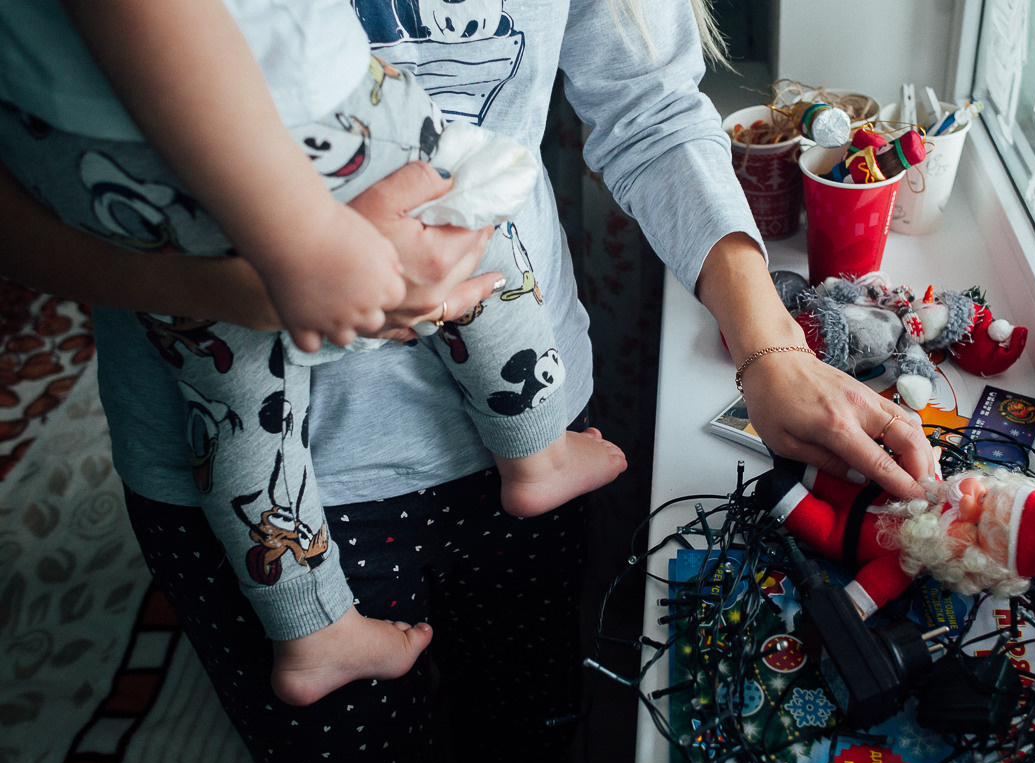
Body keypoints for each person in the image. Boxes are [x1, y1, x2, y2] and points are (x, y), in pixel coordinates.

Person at [0, 1, 940, 763]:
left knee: (528, 745)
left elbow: (651, 106)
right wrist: (249, 290)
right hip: (244, 495)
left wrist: (769, 342)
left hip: (514, 429)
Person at [0, 0, 627, 709]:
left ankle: (311, 630)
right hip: (291, 96)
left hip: (80, 155)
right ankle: (538, 453)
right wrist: (297, 239)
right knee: (469, 192)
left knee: (231, 396)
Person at [758, 458, 1035, 618]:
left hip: (837, 532)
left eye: (975, 531)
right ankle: (802, 469)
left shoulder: (904, 563)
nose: (963, 504)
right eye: (981, 498)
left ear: (971, 566)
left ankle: (787, 492)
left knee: (780, 490)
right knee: (805, 463)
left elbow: (866, 593)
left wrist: (844, 615)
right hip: (856, 486)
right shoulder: (929, 481)